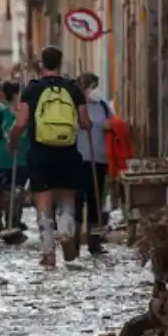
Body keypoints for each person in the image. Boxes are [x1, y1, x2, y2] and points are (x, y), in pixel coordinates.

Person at [8, 46, 89, 267]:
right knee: (66, 198)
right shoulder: (73, 88)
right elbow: (85, 122)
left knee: (43, 201)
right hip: (68, 150)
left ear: (42, 64)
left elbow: (22, 122)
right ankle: (66, 231)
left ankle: (48, 252)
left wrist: (12, 139)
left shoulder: (33, 89)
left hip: (40, 151)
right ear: (61, 63)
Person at [75, 72, 113, 256]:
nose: (91, 90)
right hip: (78, 159)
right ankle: (74, 240)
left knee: (95, 200)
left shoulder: (103, 106)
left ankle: (94, 241)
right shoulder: (73, 106)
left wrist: (109, 126)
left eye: (93, 86)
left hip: (99, 159)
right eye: (88, 86)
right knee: (77, 198)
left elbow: (112, 124)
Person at [0, 80, 29, 231]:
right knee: (18, 190)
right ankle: (14, 220)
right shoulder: (26, 115)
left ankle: (4, 222)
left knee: (5, 191)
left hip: (3, 159)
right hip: (24, 158)